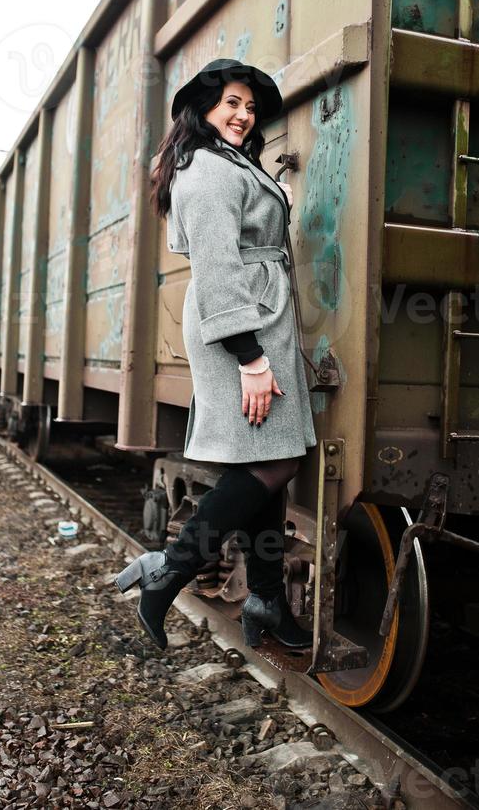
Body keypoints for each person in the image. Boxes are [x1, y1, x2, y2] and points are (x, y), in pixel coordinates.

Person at [115, 58, 317, 650]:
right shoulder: (204, 171)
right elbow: (218, 268)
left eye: (250, 107)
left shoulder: (226, 163)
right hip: (240, 331)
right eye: (231, 102)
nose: (243, 115)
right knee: (276, 463)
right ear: (202, 108)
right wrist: (251, 359)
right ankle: (168, 573)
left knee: (267, 466)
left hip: (257, 321)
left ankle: (267, 601)